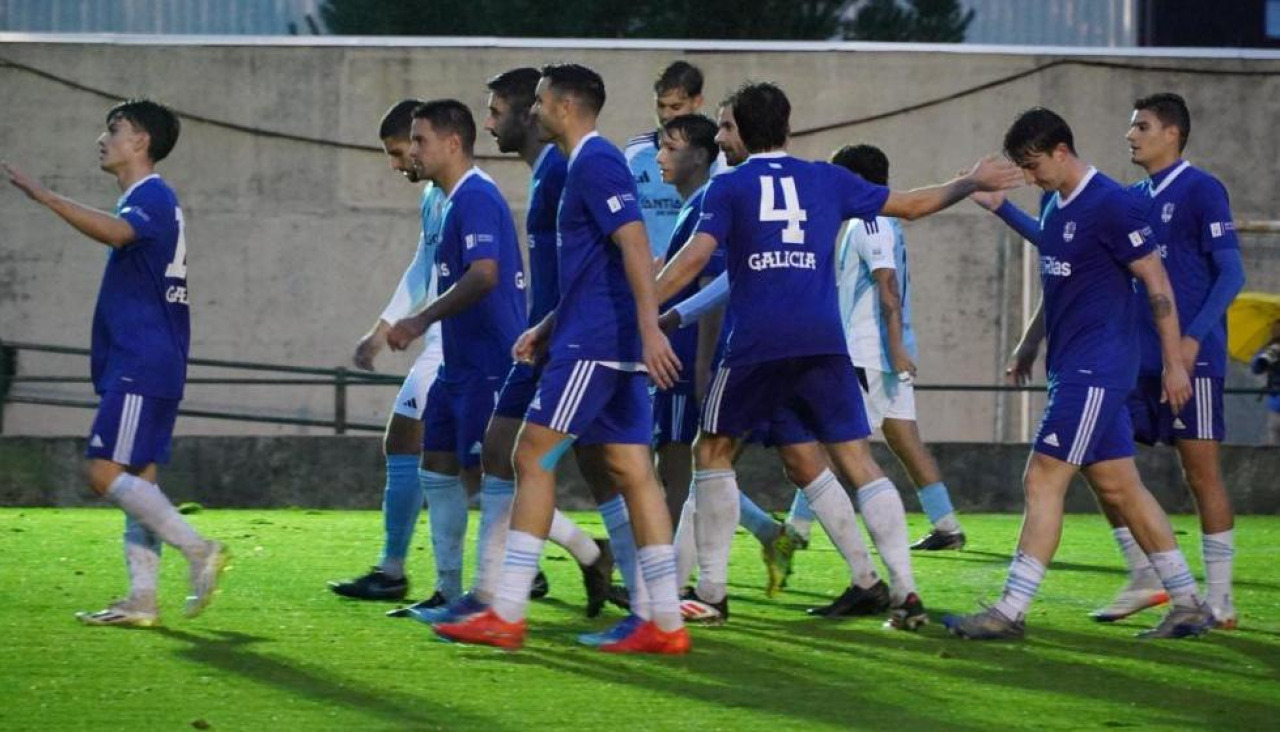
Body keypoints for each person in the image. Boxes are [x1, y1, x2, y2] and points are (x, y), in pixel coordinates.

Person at [655, 82, 1021, 629]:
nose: (722, 135)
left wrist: (642, 307)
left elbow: (692, 262)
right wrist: (969, 180)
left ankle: (709, 593)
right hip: (824, 344)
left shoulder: (728, 188)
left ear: (746, 130)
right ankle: (903, 592)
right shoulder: (826, 179)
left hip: (758, 344)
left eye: (727, 126)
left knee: (711, 453)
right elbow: (914, 205)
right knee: (855, 460)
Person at [433, 64, 689, 654]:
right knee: (631, 470)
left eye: (541, 100)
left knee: (529, 453)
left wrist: (648, 331)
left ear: (566, 106)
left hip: (595, 346)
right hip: (597, 340)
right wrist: (547, 325)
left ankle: (508, 609)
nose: (533, 110)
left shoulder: (593, 162)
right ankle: (666, 623)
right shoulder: (585, 163)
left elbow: (633, 243)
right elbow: (597, 264)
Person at [945, 107, 1213, 640]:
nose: (1030, 174)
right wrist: (1002, 209)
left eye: (1033, 164)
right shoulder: (1053, 200)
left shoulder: (1113, 204)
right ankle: (1188, 602)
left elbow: (1157, 282)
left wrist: (1175, 364)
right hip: (1073, 366)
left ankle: (1009, 611)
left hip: (1097, 369)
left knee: (1042, 477)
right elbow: (1057, 254)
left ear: (1062, 151)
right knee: (1120, 488)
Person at [4, 99, 227, 627]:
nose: (103, 139)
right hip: (153, 361)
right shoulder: (148, 199)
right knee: (139, 481)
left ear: (141, 142)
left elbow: (119, 233)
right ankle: (142, 599)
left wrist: (44, 196)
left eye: (115, 129)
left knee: (102, 472)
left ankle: (199, 550)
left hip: (141, 361)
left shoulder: (150, 195)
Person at [410, 68, 615, 625]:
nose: (490, 122)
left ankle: (648, 596)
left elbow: (497, 274)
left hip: (549, 345)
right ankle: (502, 589)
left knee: (613, 465)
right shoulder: (538, 176)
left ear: (535, 112)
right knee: (499, 457)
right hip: (540, 340)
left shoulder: (561, 172)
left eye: (497, 111)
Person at [385, 100, 527, 612]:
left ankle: (498, 591)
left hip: (491, 362)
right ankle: (448, 589)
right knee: (437, 467)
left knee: (496, 475)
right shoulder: (445, 201)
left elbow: (484, 273)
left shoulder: (476, 198)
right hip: (456, 363)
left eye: (420, 141)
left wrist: (421, 319)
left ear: (451, 143)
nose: (413, 151)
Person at [327, 99, 450, 612]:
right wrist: (381, 330)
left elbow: (486, 275)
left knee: (471, 464)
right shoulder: (433, 197)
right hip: (440, 342)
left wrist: (412, 324)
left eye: (402, 151)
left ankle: (401, 572)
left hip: (459, 346)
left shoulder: (467, 195)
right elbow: (423, 266)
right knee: (453, 460)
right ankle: (394, 569)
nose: (398, 164)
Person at [830, 144, 967, 551]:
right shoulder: (883, 223)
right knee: (905, 438)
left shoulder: (869, 222)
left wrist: (893, 349)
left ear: (855, 181)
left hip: (868, 353)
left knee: (832, 443)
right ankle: (947, 526)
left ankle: (796, 531)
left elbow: (888, 288)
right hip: (887, 351)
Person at [626, 61, 708, 259]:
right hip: (647, 279)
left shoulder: (716, 155)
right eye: (660, 105)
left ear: (697, 102)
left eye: (675, 106)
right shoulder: (635, 152)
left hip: (696, 278)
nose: (665, 115)